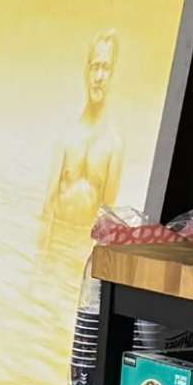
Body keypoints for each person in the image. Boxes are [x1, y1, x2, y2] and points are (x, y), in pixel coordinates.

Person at [38, 29, 127, 263]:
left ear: (113, 75)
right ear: (85, 72)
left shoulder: (114, 146)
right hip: (55, 247)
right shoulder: (66, 135)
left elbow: (108, 221)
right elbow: (47, 207)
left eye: (105, 68)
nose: (98, 76)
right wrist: (40, 262)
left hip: (81, 253)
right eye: (94, 67)